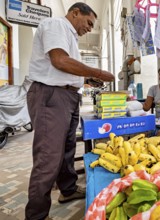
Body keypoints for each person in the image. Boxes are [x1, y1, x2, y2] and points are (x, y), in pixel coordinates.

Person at [25, 3, 115, 220]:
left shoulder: (70, 37)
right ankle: (36, 215)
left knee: (66, 149)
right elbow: (59, 61)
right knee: (48, 157)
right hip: (51, 95)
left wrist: (86, 79)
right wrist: (98, 72)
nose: (90, 29)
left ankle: (67, 189)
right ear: (75, 13)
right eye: (88, 23)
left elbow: (67, 67)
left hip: (67, 96)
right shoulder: (56, 24)